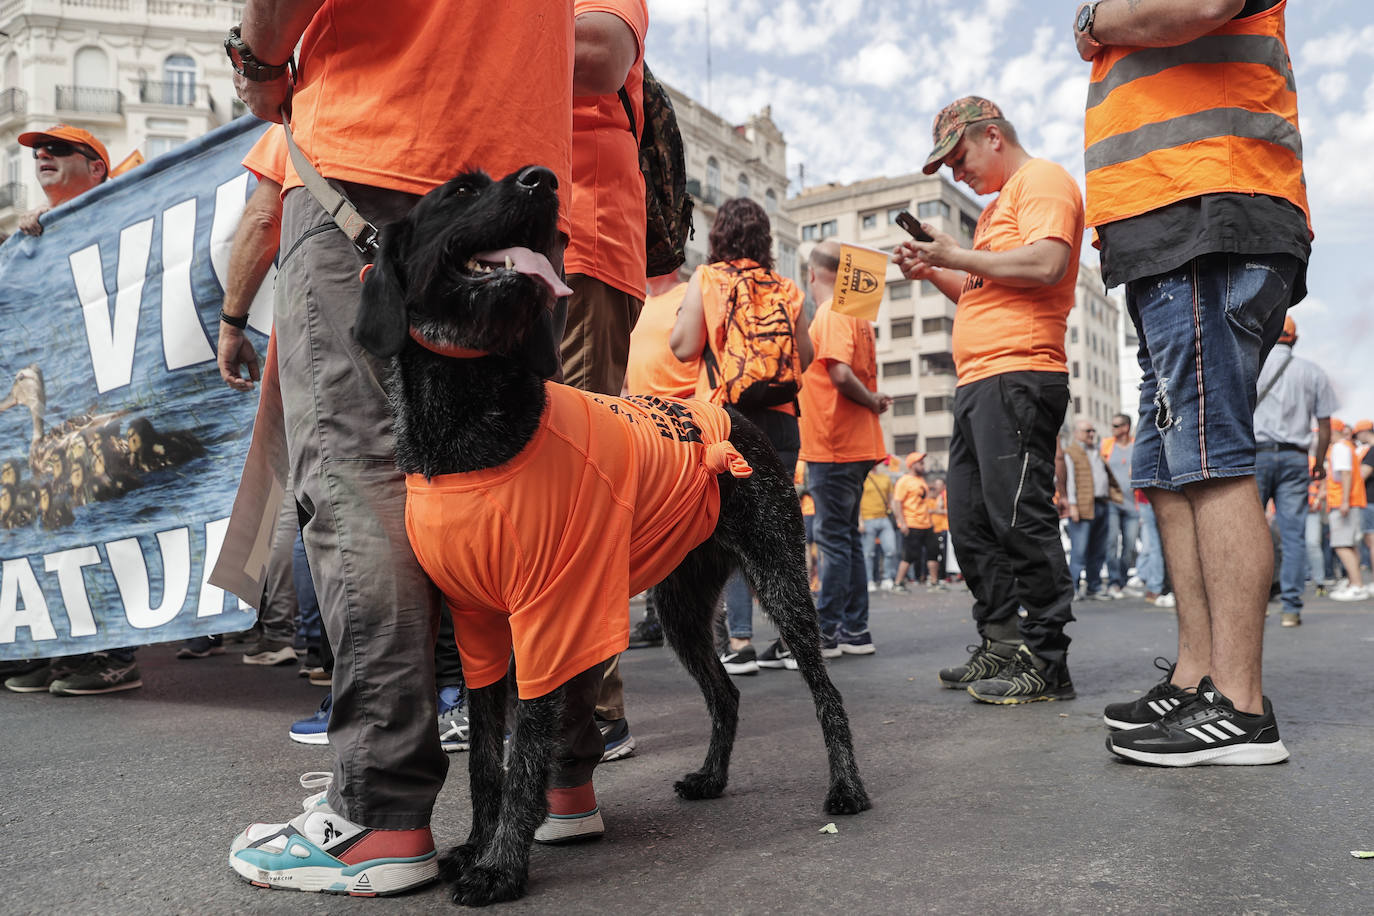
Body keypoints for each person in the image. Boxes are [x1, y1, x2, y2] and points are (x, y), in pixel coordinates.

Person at [226, 0, 573, 894]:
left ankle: (379, 817)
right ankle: (561, 778)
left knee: (361, 479)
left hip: (372, 150)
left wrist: (261, 63)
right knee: (534, 487)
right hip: (520, 165)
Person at [1077, 0, 1310, 764]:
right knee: (1170, 469)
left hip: (1211, 206)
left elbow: (1204, 6)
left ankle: (1241, 709)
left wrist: (1095, 15)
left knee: (1209, 456)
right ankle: (1199, 676)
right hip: (1170, 220)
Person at [894, 97, 1081, 704]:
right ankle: (1003, 643)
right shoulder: (997, 209)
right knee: (971, 521)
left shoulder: (1042, 180)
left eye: (959, 156)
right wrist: (936, 269)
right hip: (981, 381)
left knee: (1020, 517)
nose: (957, 172)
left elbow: (1049, 263)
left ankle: (1049, 662)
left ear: (992, 136)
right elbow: (982, 291)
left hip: (1021, 374)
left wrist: (956, 254)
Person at [3, 125, 144, 697]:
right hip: (56, 407)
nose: (43, 156)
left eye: (59, 150)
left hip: (107, 403)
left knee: (101, 518)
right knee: (47, 518)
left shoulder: (127, 213)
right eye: (40, 151)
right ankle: (52, 647)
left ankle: (111, 655)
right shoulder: (30, 240)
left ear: (98, 167)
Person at [670, 197, 813, 673]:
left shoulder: (707, 279)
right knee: (779, 529)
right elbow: (805, 357)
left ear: (719, 235)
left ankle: (741, 642)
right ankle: (796, 639)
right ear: (765, 239)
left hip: (725, 418)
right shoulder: (787, 287)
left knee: (728, 527)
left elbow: (685, 345)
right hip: (781, 418)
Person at [560, 0, 649, 757]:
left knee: (579, 480)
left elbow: (599, 54)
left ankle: (593, 711)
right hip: (536, 243)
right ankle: (552, 697)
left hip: (582, 239)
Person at [797, 239, 891, 657]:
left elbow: (837, 372)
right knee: (846, 540)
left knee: (833, 540)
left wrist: (871, 401)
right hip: (854, 442)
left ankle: (827, 631)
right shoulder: (855, 314)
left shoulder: (832, 312)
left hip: (833, 443)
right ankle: (856, 630)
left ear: (812, 274)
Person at [621, 271, 695, 650]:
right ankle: (655, 617)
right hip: (643, 425)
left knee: (687, 526)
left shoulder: (690, 293)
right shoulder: (636, 300)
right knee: (647, 522)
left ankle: (704, 619)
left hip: (685, 424)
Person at [1251, 315, 1336, 626]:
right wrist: (1321, 461)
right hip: (1295, 458)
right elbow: (1324, 425)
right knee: (1293, 535)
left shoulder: (1253, 366)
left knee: (1249, 533)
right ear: (1295, 340)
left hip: (1256, 456)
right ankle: (1290, 609)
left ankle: (1255, 605)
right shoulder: (1312, 372)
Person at [1063, 418, 1123, 600]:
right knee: (1079, 550)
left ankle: (1094, 587)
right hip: (1082, 507)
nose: (1091, 434)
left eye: (1092, 431)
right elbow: (1069, 481)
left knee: (1098, 550)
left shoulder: (1096, 451)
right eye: (1087, 431)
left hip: (1101, 504)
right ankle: (1072, 587)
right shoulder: (1071, 453)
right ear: (1077, 433)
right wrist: (1072, 505)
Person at [1325, 419, 1367, 601]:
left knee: (1341, 545)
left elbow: (1345, 473)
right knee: (1349, 545)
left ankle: (1356, 585)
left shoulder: (1339, 448)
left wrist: (1343, 502)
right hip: (1350, 500)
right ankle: (1354, 583)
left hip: (1343, 502)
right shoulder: (1346, 447)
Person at [1101, 413, 1140, 598]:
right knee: (1110, 543)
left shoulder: (1137, 446)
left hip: (1133, 504)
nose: (1113, 429)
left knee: (1129, 546)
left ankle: (1122, 580)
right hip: (1112, 503)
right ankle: (1114, 581)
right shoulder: (1107, 445)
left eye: (1116, 426)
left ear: (1126, 427)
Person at [891, 452, 938, 592]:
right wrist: (902, 523)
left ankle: (934, 582)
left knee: (933, 551)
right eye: (921, 463)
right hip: (912, 523)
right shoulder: (904, 481)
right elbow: (896, 503)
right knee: (909, 555)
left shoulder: (921, 480)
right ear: (912, 465)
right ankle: (898, 583)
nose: (923, 465)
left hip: (927, 524)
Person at [859, 461, 897, 591]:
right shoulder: (862, 477)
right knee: (868, 554)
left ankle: (887, 578)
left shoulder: (885, 478)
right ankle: (869, 581)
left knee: (890, 549)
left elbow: (891, 498)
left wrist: (897, 517)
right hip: (868, 519)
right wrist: (860, 521)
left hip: (884, 518)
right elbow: (857, 499)